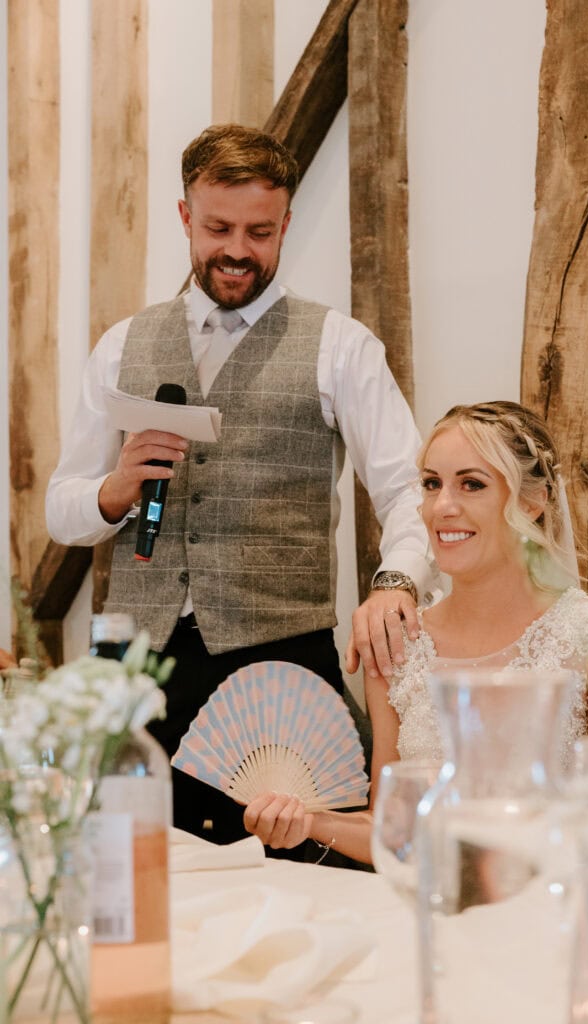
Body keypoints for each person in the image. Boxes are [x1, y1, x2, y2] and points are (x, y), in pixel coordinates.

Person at [45, 123, 439, 849]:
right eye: (218, 228)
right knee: (129, 872)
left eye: (259, 232)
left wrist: (395, 582)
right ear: (185, 216)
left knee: (285, 870)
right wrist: (115, 490)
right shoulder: (123, 345)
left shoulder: (340, 346)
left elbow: (407, 488)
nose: (237, 250)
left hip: (278, 663)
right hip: (134, 669)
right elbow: (62, 508)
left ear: (284, 224)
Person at [243, 400, 588, 864]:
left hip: (550, 900)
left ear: (533, 501)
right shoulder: (399, 646)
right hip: (427, 900)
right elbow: (394, 828)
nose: (442, 507)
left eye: (472, 484)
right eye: (432, 484)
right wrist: (309, 821)